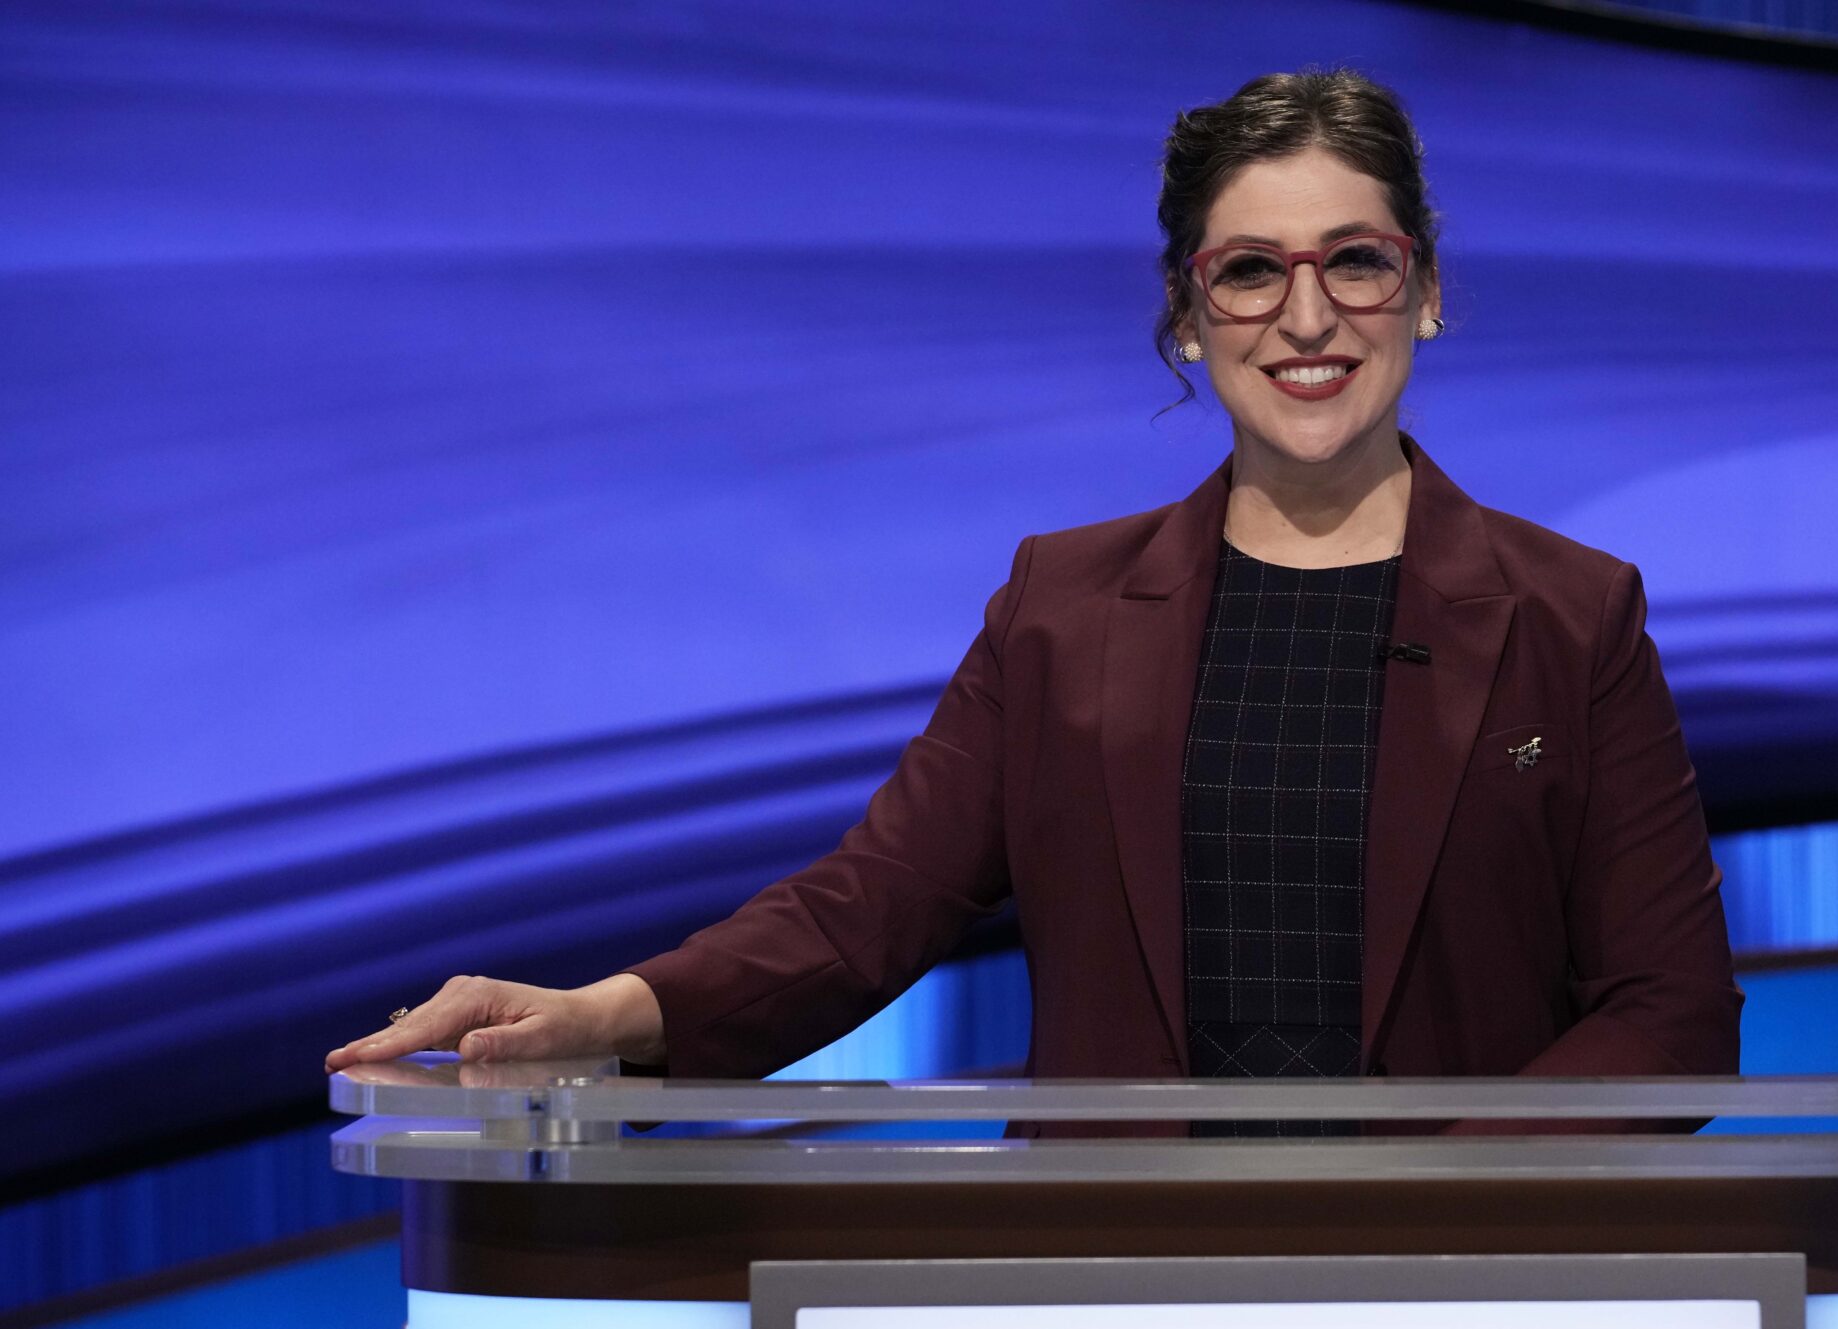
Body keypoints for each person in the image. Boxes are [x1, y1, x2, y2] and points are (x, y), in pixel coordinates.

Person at [326, 67, 1741, 1136]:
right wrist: (605, 1016)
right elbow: (866, 907)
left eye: (1355, 261)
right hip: (1116, 1269)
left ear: (1423, 290)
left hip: (1467, 1284)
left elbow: (1672, 1014)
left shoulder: (1573, 615)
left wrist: (1443, 1185)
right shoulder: (1063, 607)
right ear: (1189, 318)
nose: (1307, 318)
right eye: (1251, 271)